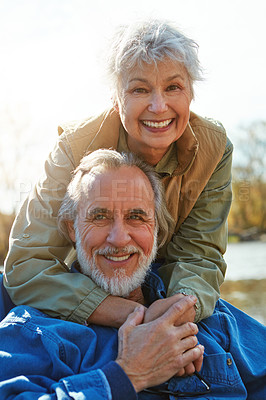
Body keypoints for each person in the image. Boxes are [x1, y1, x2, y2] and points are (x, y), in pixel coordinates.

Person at [4, 19, 233, 327]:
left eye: (173, 87)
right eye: (140, 89)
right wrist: (135, 316)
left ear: (191, 94)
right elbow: (27, 264)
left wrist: (174, 316)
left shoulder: (215, 149)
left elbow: (200, 256)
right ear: (116, 99)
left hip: (162, 285)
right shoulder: (74, 147)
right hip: (97, 279)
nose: (158, 106)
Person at [0, 150, 264, 400]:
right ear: (72, 229)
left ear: (157, 230)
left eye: (136, 217)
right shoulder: (34, 331)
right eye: (100, 216)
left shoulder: (208, 316)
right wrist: (128, 374)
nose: (118, 238)